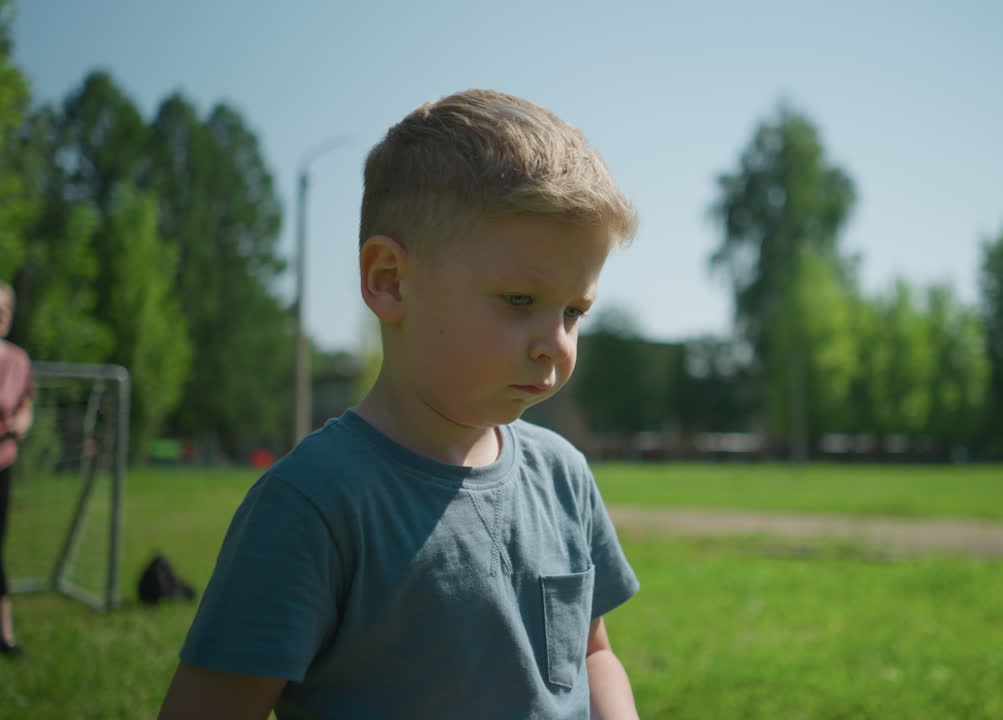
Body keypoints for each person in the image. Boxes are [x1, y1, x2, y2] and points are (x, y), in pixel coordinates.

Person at [158, 89, 642, 719]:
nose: (555, 344)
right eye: (520, 301)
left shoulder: (563, 477)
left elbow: (592, 654)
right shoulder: (314, 506)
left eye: (574, 312)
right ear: (389, 280)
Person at [0, 281, 34, 657]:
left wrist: (23, 421)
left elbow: (25, 403)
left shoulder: (16, 361)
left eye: (2, 312)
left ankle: (5, 634)